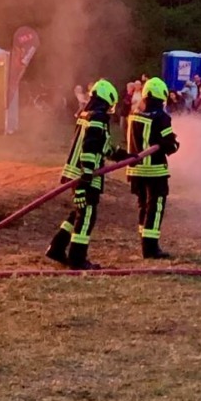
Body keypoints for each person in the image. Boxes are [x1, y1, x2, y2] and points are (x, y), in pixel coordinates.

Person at [47, 79, 120, 271]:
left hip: (75, 172)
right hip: (85, 174)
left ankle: (57, 248)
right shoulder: (98, 117)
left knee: (79, 212)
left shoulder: (87, 115)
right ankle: (77, 259)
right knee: (87, 214)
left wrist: (121, 154)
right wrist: (87, 173)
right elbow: (89, 147)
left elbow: (100, 145)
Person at [126, 78, 181, 259]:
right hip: (155, 170)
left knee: (143, 205)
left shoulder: (134, 114)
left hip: (135, 170)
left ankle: (144, 241)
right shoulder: (162, 117)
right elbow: (168, 144)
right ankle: (151, 248)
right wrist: (174, 144)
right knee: (155, 207)